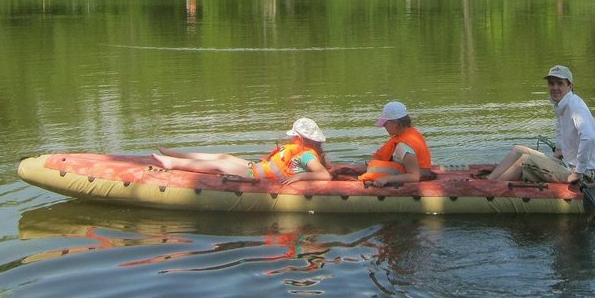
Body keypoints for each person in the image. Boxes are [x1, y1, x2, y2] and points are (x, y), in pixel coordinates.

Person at [487, 65, 595, 184]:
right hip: (570, 166)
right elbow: (561, 129)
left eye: (560, 83)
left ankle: (490, 189)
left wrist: (578, 173)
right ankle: (488, 182)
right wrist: (559, 150)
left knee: (526, 161)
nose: (555, 87)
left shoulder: (575, 107)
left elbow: (589, 137)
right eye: (551, 83)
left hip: (587, 173)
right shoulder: (562, 104)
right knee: (518, 150)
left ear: (570, 86)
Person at [151, 118, 332, 185]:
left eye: (295, 137)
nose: (292, 139)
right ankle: (173, 153)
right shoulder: (307, 151)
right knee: (224, 156)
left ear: (300, 139)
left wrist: (299, 177)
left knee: (220, 165)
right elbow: (327, 168)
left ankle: (172, 163)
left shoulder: (308, 155)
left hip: (256, 175)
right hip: (257, 167)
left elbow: (325, 175)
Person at [358, 101, 433, 187]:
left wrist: (386, 179)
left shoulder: (404, 147)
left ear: (397, 124)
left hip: (418, 174)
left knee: (372, 170)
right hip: (410, 169)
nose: (384, 126)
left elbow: (414, 177)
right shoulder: (407, 133)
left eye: (386, 123)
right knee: (372, 167)